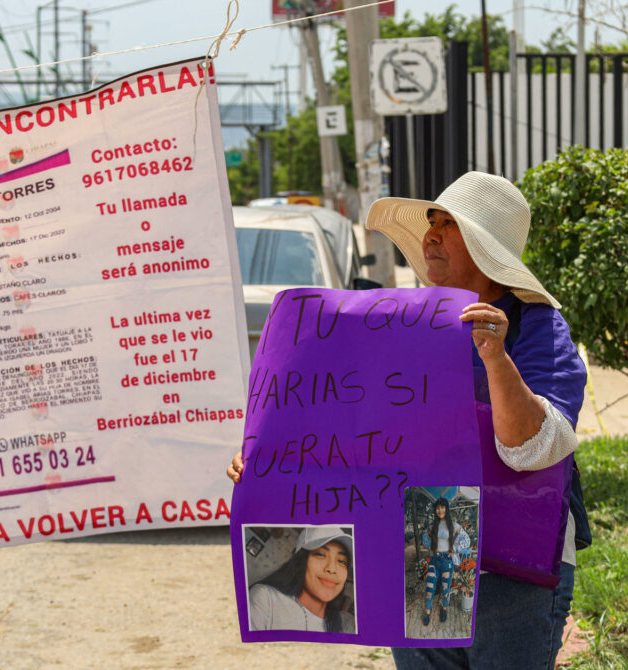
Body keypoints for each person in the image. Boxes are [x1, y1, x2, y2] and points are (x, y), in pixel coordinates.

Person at [228, 172, 587, 667]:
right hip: (422, 550)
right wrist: (267, 461)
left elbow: (536, 448)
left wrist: (496, 358)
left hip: (512, 569)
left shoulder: (537, 327)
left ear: (487, 248)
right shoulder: (401, 326)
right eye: (430, 223)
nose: (430, 236)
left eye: (448, 225)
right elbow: (340, 427)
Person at [248, 526, 353, 633]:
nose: (332, 569)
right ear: (300, 561)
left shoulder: (340, 627)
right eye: (321, 555)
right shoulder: (266, 599)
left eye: (341, 561)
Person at [419, 497, 470, 626]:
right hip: (434, 561)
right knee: (429, 587)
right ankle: (427, 612)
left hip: (447, 561)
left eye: (442, 507)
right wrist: (430, 546)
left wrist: (455, 549)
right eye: (437, 508)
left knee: (445, 588)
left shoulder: (453, 525)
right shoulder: (433, 526)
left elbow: (467, 540)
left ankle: (444, 609)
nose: (440, 510)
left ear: (446, 509)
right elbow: (425, 538)